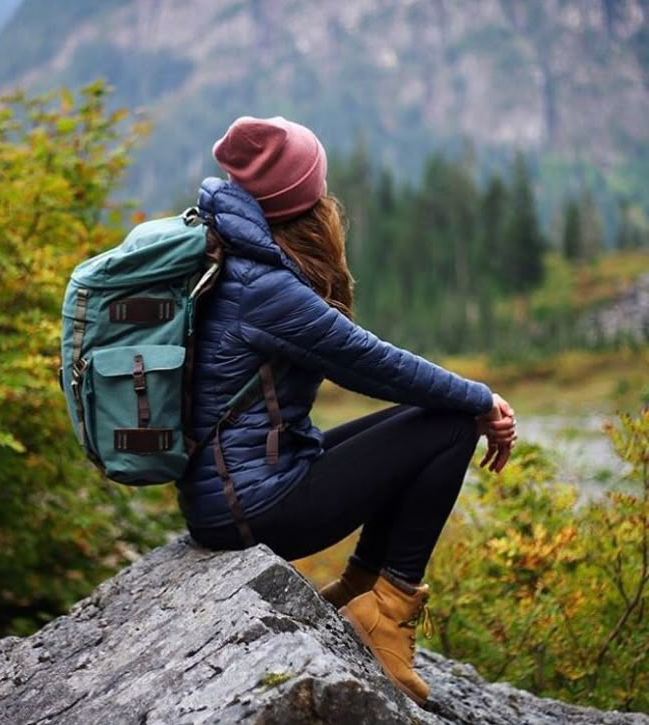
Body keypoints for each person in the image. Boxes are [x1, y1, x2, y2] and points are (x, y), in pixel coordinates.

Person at [178, 116, 517, 706]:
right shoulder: (263, 285)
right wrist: (481, 398)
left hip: (233, 496)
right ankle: (387, 610)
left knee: (424, 424)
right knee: (450, 423)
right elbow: (368, 361)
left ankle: (361, 586)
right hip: (252, 512)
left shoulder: (226, 247)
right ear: (302, 195)